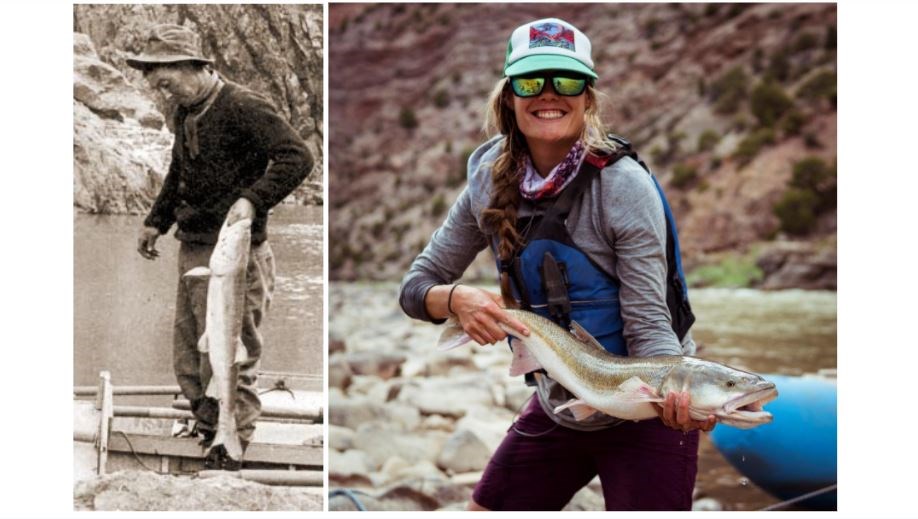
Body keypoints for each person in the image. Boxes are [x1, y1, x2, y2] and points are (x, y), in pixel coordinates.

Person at [399, 18, 714, 510]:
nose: (549, 94)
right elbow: (416, 286)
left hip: (648, 417)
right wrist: (456, 299)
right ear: (509, 97)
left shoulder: (623, 186)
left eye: (566, 81)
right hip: (561, 403)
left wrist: (675, 393)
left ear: (588, 97)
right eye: (531, 81)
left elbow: (651, 328)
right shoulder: (485, 182)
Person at [126, 24, 313, 469]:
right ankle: (209, 428)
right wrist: (156, 220)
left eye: (163, 70)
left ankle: (233, 445)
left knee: (233, 355)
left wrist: (252, 199)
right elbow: (177, 171)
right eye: (150, 73)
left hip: (237, 256)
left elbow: (297, 156)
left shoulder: (244, 105)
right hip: (194, 249)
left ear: (198, 66)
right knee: (190, 354)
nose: (156, 81)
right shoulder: (185, 111)